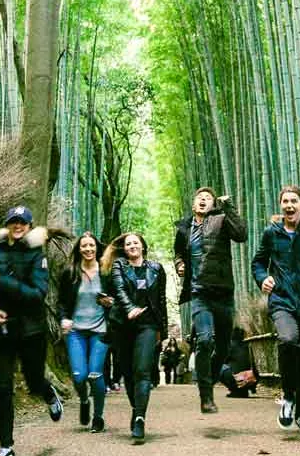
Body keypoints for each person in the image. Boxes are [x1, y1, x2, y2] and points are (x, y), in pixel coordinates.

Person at [0, 206, 65, 456]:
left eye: (22, 222)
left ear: (30, 226)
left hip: (30, 330)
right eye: (13, 221)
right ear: (7, 225)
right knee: (2, 388)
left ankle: (48, 393)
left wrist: (3, 282)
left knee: (33, 380)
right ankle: (6, 447)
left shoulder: (38, 256)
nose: (18, 226)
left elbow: (37, 294)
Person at [251, 184, 300, 434]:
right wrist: (263, 278)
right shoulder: (271, 233)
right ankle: (288, 395)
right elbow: (258, 262)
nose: (289, 205)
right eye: (285, 201)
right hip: (281, 300)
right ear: (281, 205)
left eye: (294, 201)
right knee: (287, 338)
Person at [171, 187, 246, 413]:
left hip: (222, 291)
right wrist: (179, 265)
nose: (203, 200)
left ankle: (209, 382)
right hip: (199, 292)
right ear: (193, 204)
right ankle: (206, 396)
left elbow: (241, 235)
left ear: (213, 205)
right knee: (204, 340)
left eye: (208, 198)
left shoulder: (222, 220)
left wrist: (228, 206)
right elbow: (178, 253)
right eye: (200, 198)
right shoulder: (184, 228)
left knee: (222, 348)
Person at [108, 232, 170, 443]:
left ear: (143, 246)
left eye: (136, 242)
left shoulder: (156, 269)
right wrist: (129, 308)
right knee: (127, 372)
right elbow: (119, 290)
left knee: (142, 371)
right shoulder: (119, 266)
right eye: (128, 244)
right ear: (124, 249)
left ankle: (140, 418)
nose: (132, 246)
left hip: (148, 325)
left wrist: (164, 333)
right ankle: (136, 409)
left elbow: (161, 300)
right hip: (123, 325)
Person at [56, 232, 114, 433]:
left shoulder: (107, 271)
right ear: (78, 249)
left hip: (101, 330)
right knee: (79, 375)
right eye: (84, 246)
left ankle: (98, 417)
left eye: (91, 246)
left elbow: (117, 297)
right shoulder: (70, 272)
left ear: (97, 248)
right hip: (76, 331)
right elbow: (62, 302)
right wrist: (64, 318)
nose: (88, 249)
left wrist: (110, 303)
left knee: (95, 373)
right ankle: (83, 400)